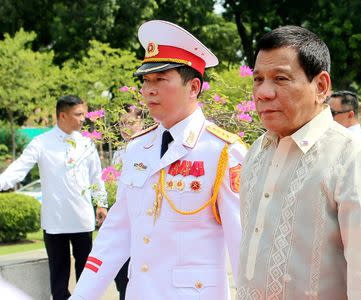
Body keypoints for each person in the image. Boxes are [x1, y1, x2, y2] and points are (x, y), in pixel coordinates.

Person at [70, 20, 246, 300]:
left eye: (161, 80)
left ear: (194, 87)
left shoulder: (223, 151)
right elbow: (117, 232)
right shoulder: (139, 147)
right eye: (146, 81)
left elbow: (242, 247)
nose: (148, 90)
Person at [237, 25, 361, 299]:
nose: (263, 92)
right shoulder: (256, 152)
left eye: (281, 79)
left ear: (321, 86)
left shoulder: (354, 160)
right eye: (258, 79)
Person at [0, 95, 108, 300]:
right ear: (62, 115)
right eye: (78, 114)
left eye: (84, 114)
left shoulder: (87, 143)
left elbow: (97, 177)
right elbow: (18, 169)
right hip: (54, 222)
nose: (83, 119)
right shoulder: (41, 143)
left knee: (87, 277)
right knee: (58, 280)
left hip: (83, 220)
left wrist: (101, 203)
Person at [111, 105, 144, 300]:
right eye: (122, 123)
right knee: (121, 274)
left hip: (140, 222)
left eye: (130, 123)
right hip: (122, 221)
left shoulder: (149, 148)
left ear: (141, 122)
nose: (125, 127)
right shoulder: (119, 152)